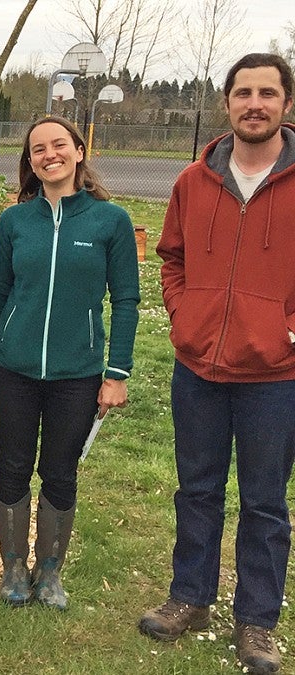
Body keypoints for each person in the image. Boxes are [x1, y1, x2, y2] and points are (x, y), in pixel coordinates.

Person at [138, 53, 295, 675]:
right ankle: (190, 598)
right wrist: (184, 316)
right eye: (242, 93)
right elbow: (171, 258)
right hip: (197, 368)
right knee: (197, 490)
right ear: (227, 102)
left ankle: (257, 620)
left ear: (286, 103)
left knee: (264, 502)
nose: (254, 104)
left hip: (275, 377)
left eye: (267, 93)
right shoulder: (191, 181)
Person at [0, 116, 139, 611]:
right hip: (13, 368)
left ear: (79, 151)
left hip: (78, 372)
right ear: (30, 161)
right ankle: (13, 570)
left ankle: (50, 573)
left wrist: (117, 372)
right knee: (13, 466)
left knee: (61, 471)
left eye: (59, 145)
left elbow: (127, 300)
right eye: (38, 149)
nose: (49, 155)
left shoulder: (111, 221)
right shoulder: (16, 222)